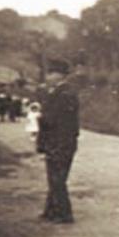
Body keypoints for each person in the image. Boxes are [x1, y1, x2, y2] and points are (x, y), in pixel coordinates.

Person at [36, 59, 79, 223]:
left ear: (60, 75)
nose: (48, 76)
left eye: (51, 73)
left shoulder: (65, 94)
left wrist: (42, 118)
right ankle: (51, 210)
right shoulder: (57, 92)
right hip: (56, 142)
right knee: (54, 177)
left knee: (58, 178)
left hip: (62, 142)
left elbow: (58, 121)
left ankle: (64, 213)